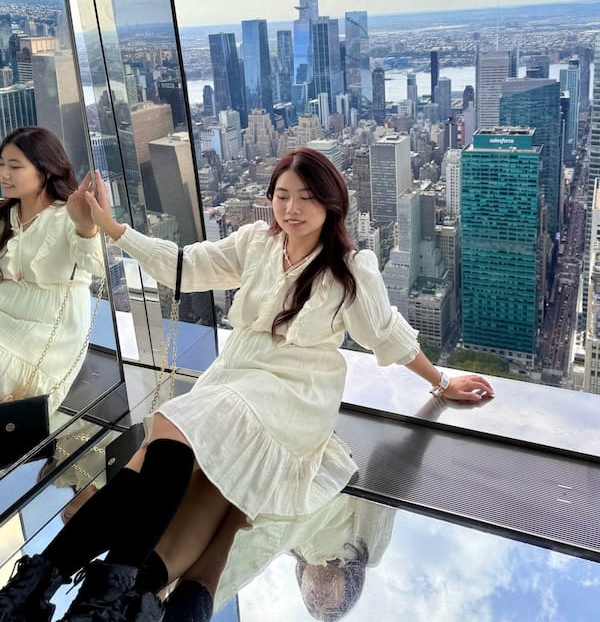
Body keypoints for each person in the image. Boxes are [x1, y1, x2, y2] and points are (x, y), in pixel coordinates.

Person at [0, 147, 493, 622]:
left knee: (168, 427)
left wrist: (441, 380)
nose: (291, 208)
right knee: (147, 459)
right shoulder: (258, 242)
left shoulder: (350, 270)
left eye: (306, 197)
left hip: (293, 394)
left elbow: (386, 334)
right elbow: (185, 267)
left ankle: (94, 587)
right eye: (282, 195)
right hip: (235, 375)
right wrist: (111, 227)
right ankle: (45, 586)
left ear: (331, 203)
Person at [0, 127, 104, 418]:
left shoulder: (66, 214)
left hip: (50, 325)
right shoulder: (7, 214)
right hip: (6, 310)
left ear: (44, 170)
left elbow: (95, 266)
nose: (4, 174)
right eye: (1, 165)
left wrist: (87, 226)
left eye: (15, 166)